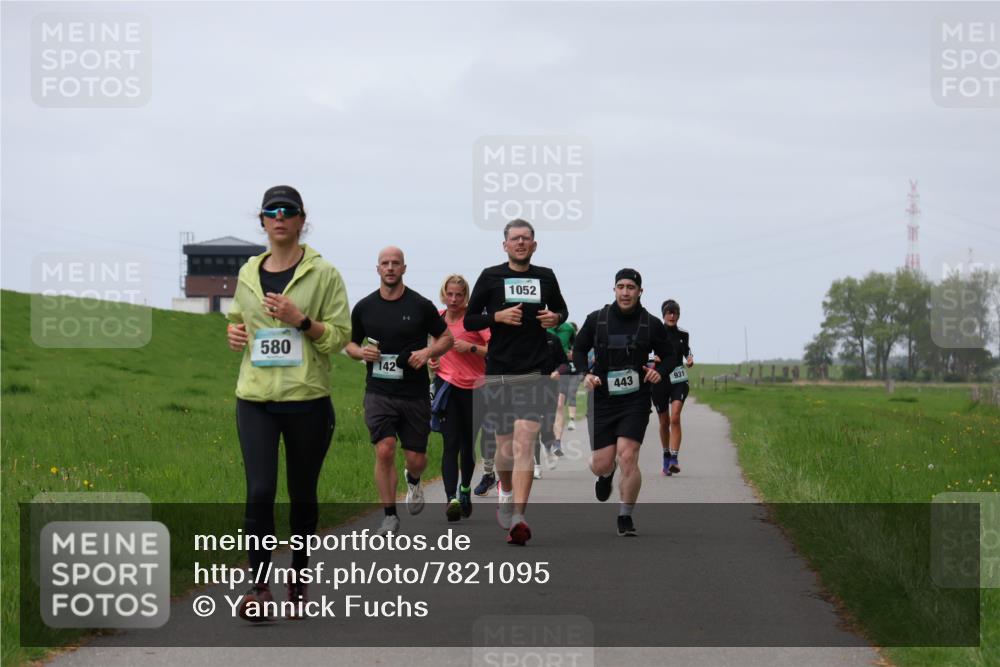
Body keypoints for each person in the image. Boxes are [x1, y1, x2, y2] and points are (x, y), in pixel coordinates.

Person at [226, 185, 351, 620]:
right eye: (271, 212)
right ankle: (258, 587)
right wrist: (234, 334)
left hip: (307, 401)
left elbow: (339, 338)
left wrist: (303, 321)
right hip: (255, 398)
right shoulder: (246, 272)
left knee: (301, 495)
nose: (279, 218)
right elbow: (237, 320)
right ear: (262, 221)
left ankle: (298, 576)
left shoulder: (325, 274)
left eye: (288, 211)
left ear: (301, 220)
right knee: (260, 491)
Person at [465, 219, 568, 545]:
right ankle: (505, 491)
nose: (521, 243)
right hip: (499, 370)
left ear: (534, 245)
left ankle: (519, 518)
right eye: (515, 239)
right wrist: (496, 317)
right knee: (505, 448)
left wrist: (556, 318)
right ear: (505, 245)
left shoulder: (546, 276)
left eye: (526, 239)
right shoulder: (490, 276)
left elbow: (562, 310)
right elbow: (470, 319)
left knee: (527, 440)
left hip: (535, 370)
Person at [345, 247, 453, 536]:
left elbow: (447, 337)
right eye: (385, 263)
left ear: (404, 268)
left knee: (416, 459)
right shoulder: (365, 307)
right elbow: (350, 344)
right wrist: (360, 353)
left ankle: (414, 479)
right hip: (379, 391)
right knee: (384, 449)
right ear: (377, 269)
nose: (390, 268)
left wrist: (428, 351)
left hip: (414, 393)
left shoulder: (420, 305)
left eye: (395, 263)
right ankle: (390, 516)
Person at [573, 269, 672, 536]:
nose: (625, 292)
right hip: (603, 398)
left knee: (628, 455)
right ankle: (605, 475)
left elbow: (671, 354)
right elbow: (579, 348)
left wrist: (658, 371)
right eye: (620, 286)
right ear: (614, 290)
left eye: (631, 287)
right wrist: (586, 373)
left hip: (635, 399)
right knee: (602, 463)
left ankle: (625, 516)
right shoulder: (597, 319)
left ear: (640, 292)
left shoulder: (650, 323)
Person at [428, 274, 490, 521]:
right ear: (443, 294)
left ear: (466, 297)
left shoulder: (475, 320)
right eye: (449, 294)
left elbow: (494, 351)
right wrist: (433, 361)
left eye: (459, 295)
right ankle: (450, 499)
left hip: (476, 388)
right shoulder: (439, 318)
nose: (454, 299)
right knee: (450, 443)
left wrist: (472, 348)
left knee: (467, 444)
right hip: (447, 387)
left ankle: (465, 489)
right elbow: (434, 347)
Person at [651, 299, 694, 476]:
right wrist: (653, 358)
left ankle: (674, 458)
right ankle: (666, 456)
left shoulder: (683, 333)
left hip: (678, 379)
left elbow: (687, 350)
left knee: (675, 417)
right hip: (660, 380)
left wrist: (690, 359)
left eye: (675, 313)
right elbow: (646, 351)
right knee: (664, 422)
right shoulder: (656, 332)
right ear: (663, 314)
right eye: (669, 312)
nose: (672, 316)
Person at [549, 321, 580, 454]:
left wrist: (572, 353)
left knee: (560, 405)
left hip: (561, 370)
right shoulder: (542, 328)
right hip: (544, 371)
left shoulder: (568, 328)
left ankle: (557, 442)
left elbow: (577, 345)